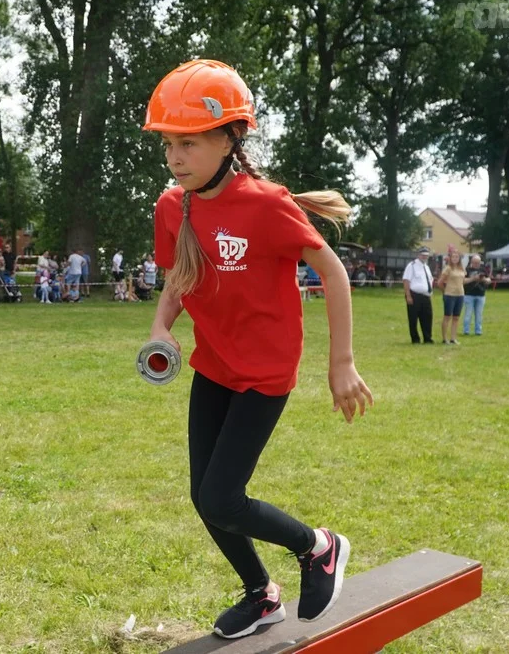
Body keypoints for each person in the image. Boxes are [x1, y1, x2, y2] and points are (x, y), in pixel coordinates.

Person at [144, 60, 374, 639]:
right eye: (169, 143)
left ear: (229, 138)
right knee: (206, 497)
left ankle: (319, 547)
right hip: (213, 367)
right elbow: (179, 277)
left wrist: (341, 363)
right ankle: (261, 596)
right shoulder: (173, 207)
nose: (175, 156)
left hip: (264, 375)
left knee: (222, 495)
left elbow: (334, 272)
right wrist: (160, 326)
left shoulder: (267, 204)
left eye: (189, 142)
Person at [402, 247, 435, 345]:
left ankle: (427, 338)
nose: (425, 257)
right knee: (413, 318)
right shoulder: (412, 266)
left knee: (427, 317)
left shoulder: (426, 267)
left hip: (425, 295)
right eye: (423, 255)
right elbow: (406, 280)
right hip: (414, 294)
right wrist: (408, 295)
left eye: (426, 255)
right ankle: (415, 338)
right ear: (418, 255)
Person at [437, 248, 466, 345]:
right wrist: (445, 292)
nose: (455, 258)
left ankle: (453, 338)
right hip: (449, 295)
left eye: (457, 257)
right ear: (450, 258)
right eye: (453, 256)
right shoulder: (448, 268)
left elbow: (463, 281)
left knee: (456, 317)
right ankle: (445, 339)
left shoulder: (462, 269)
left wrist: (475, 278)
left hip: (460, 295)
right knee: (447, 316)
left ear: (459, 258)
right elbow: (440, 282)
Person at [462, 254, 490, 337]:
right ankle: (466, 330)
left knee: (479, 314)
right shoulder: (467, 270)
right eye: (474, 262)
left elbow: (489, 280)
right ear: (471, 262)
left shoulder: (483, 270)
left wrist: (483, 279)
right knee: (468, 314)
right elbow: (463, 281)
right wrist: (473, 278)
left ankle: (478, 331)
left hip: (481, 295)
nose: (476, 264)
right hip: (469, 295)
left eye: (478, 263)